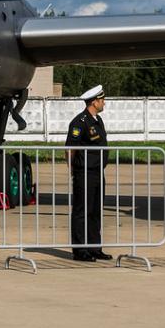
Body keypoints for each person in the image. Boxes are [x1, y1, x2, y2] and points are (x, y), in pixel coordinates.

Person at [65, 85, 111, 261]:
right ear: (94, 102)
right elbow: (70, 149)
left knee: (95, 211)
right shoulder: (80, 122)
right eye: (102, 100)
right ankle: (80, 250)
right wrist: (72, 169)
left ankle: (94, 247)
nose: (104, 103)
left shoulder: (98, 121)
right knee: (82, 211)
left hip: (98, 172)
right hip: (84, 172)